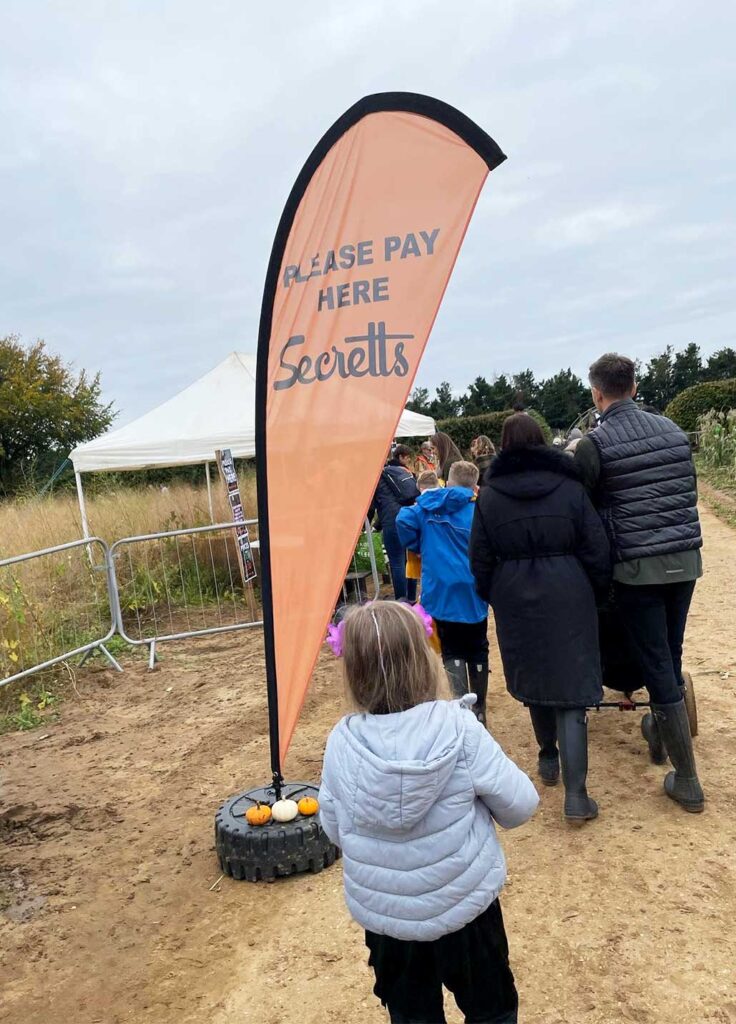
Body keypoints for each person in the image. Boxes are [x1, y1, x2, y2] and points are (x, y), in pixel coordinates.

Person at [318, 600, 538, 1024]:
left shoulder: (340, 744)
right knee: (491, 1009)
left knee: (411, 1015)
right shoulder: (459, 728)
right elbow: (521, 805)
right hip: (465, 913)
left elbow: (332, 827)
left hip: (389, 925)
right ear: (425, 658)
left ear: (353, 673)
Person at [574, 353, 705, 812]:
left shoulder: (596, 444)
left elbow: (585, 512)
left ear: (597, 393)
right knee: (670, 652)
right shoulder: (673, 432)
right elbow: (688, 491)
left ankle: (687, 780)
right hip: (686, 560)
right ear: (633, 385)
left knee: (654, 661)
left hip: (636, 568)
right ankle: (658, 730)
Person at [470, 413, 611, 823]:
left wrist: (494, 594)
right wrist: (594, 591)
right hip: (569, 589)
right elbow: (596, 546)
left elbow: (479, 557)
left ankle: (547, 756)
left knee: (533, 675)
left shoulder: (490, 496)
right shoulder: (570, 488)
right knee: (573, 686)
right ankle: (577, 795)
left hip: (515, 594)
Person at [397, 461, 491, 723]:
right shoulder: (478, 509)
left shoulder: (427, 506)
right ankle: (480, 707)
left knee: (451, 648)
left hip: (439, 590)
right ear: (473, 485)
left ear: (447, 482)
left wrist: (419, 545)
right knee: (478, 645)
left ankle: (461, 709)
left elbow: (402, 520)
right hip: (472, 589)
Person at [369, 445, 419, 602]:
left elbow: (373, 506)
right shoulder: (397, 471)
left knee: (397, 563)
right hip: (409, 519)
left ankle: (401, 602)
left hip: (392, 523)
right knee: (410, 561)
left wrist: (371, 526)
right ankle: (411, 599)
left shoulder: (374, 477)